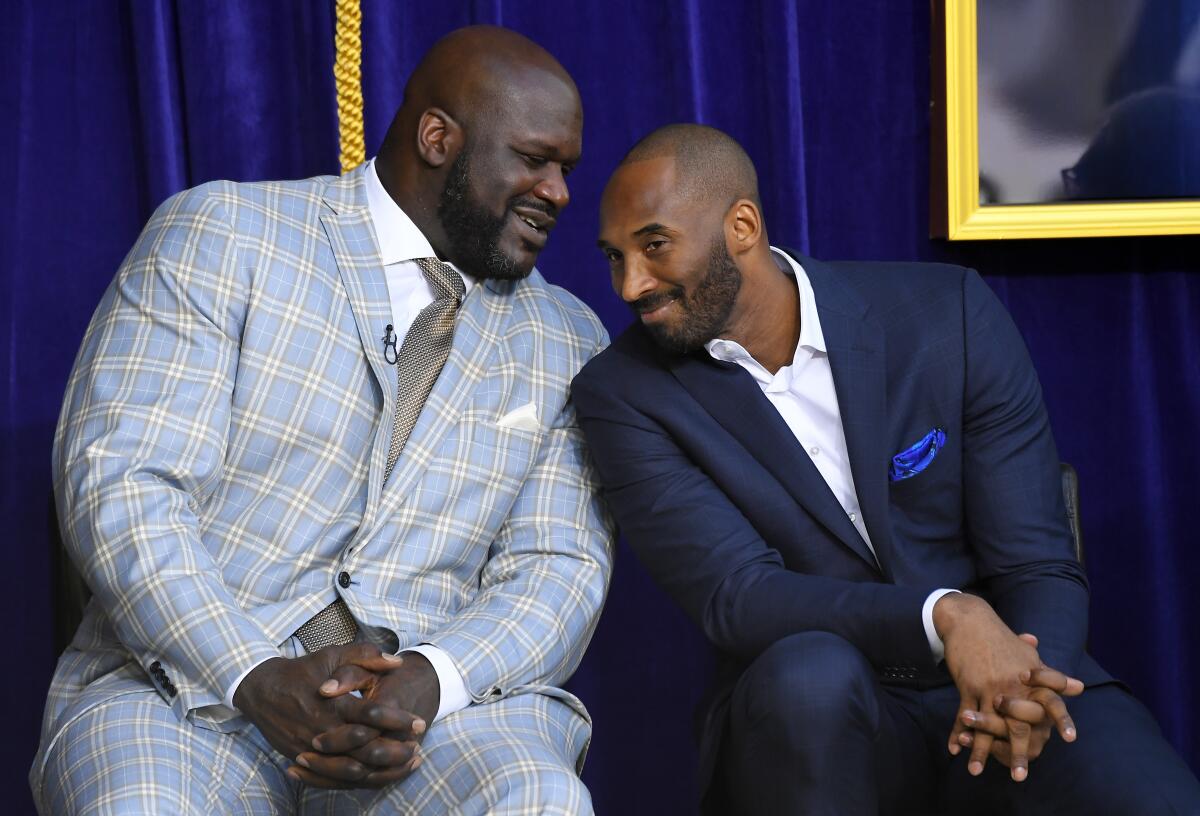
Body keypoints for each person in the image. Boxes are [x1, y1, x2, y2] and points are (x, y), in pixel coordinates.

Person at [33, 25, 614, 815]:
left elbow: (559, 566)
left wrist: (432, 677)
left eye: (567, 170)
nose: (560, 193)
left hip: (430, 721)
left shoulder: (566, 336)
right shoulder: (224, 236)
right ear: (438, 138)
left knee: (537, 800)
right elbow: (123, 486)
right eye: (534, 160)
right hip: (186, 695)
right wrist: (252, 673)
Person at [571, 123, 1200, 815]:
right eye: (613, 257)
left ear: (742, 226)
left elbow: (1036, 561)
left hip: (1012, 675)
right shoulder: (624, 392)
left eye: (653, 246)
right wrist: (945, 616)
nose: (629, 284)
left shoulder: (947, 316)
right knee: (809, 679)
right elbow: (739, 595)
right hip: (819, 717)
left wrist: (1024, 687)